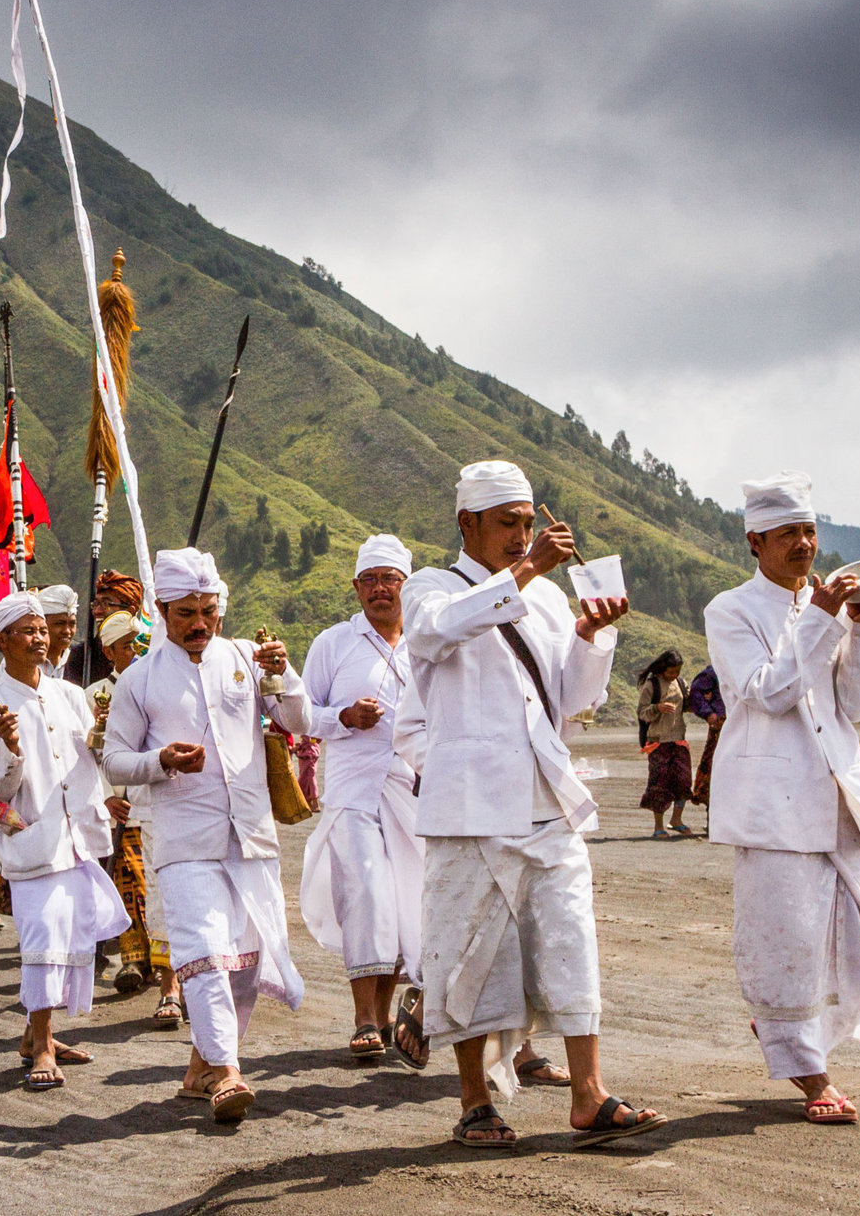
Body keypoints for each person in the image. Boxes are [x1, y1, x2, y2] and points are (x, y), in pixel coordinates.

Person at [395, 461, 656, 1149]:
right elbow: (431, 634)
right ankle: (475, 1100)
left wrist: (592, 636)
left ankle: (588, 1093)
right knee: (466, 952)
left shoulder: (542, 600)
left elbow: (572, 702)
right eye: (506, 523)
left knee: (571, 940)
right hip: (468, 808)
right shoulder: (430, 588)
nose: (521, 535)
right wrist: (526, 572)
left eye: (527, 521)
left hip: (545, 798)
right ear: (467, 524)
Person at [703, 470, 860, 1127]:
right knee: (785, 937)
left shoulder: (825, 610)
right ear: (755, 542)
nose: (804, 543)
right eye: (788, 532)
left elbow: (854, 703)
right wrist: (823, 618)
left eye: (811, 530)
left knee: (857, 935)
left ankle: (790, 1034)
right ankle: (810, 1070)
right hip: (771, 802)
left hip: (834, 792)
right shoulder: (730, 610)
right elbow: (768, 691)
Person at [101, 547, 308, 1126]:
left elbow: (300, 720)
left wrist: (283, 672)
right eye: (185, 612)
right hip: (185, 840)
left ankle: (200, 1069)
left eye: (208, 612)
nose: (198, 624)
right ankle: (227, 1071)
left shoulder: (247, 658)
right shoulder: (138, 680)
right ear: (162, 611)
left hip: (252, 838)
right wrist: (160, 760)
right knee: (203, 953)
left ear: (221, 608)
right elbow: (116, 759)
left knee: (242, 959)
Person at [0, 590, 130, 1091]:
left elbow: (92, 754)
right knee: (41, 939)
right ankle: (41, 1046)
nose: (42, 638)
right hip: (33, 842)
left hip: (78, 836)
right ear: (3, 640)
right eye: (30, 630)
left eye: (44, 629)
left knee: (68, 936)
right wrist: (10, 749)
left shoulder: (67, 695)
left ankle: (35, 1034)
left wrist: (105, 752)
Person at [298, 534, 424, 1063]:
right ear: (355, 587)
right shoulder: (334, 643)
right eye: (369, 580)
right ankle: (364, 1018)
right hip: (352, 788)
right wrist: (343, 718)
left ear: (406, 586)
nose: (379, 590)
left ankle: (393, 1007)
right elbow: (297, 714)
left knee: (403, 899)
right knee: (365, 894)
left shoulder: (425, 641)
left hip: (412, 787)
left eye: (389, 579)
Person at [89, 610, 170, 1010]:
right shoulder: (94, 695)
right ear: (109, 652)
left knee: (153, 884)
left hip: (154, 802)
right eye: (126, 647)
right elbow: (88, 755)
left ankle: (161, 963)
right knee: (128, 887)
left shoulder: (158, 685)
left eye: (140, 644)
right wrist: (106, 794)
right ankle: (133, 960)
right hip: (117, 806)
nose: (136, 653)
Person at [636, 651, 694, 838]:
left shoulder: (681, 684)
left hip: (678, 739)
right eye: (671, 672)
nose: (674, 675)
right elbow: (642, 712)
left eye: (677, 671)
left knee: (683, 781)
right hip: (658, 742)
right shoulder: (651, 685)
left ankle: (676, 819)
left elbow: (689, 704)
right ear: (662, 669)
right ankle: (658, 826)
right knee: (659, 784)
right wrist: (657, 708)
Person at [63, 569, 147, 685]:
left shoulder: (144, 653)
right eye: (96, 604)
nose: (97, 611)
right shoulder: (80, 656)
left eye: (107, 604)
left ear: (130, 611)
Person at [686, 666, 725, 810]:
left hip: (745, 724)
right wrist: (708, 713)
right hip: (722, 725)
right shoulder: (717, 669)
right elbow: (696, 692)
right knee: (715, 766)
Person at [37, 585, 81, 679]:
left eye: (72, 624)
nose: (67, 631)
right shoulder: (24, 663)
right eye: (59, 624)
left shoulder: (78, 661)